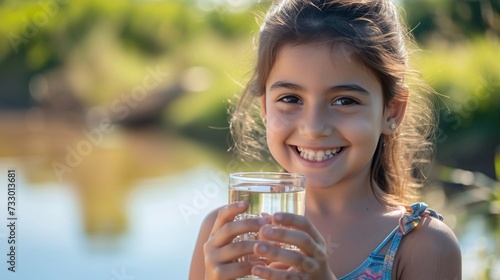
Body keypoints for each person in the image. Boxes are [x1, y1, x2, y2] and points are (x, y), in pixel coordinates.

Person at [189, 0, 462, 279]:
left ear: (391, 110)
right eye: (290, 99)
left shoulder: (424, 246)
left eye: (345, 101)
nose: (314, 127)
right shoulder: (226, 235)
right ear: (265, 109)